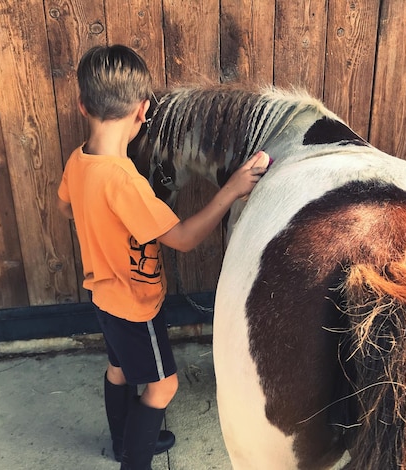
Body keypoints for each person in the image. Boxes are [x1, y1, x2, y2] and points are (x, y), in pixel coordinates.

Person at [56, 45, 270, 470]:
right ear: (143, 109)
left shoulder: (79, 162)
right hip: (135, 305)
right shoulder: (124, 182)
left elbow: (66, 208)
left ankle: (123, 443)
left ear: (82, 105)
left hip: (102, 297)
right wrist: (231, 189)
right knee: (163, 388)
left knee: (119, 368)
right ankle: (133, 462)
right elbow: (185, 238)